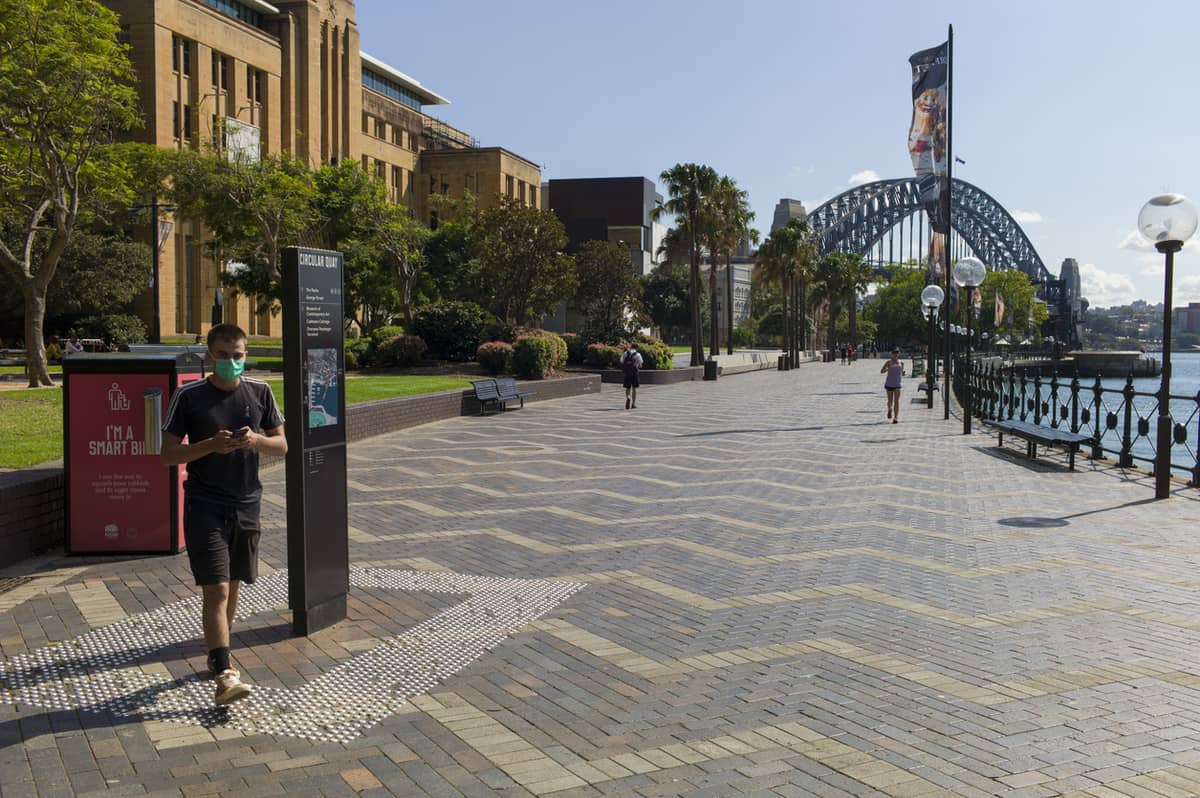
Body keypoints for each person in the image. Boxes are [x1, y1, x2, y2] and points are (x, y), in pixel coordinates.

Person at [160, 323, 287, 705]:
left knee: (232, 585)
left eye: (239, 355)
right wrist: (209, 446)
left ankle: (220, 656)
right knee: (214, 587)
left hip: (246, 503)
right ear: (209, 356)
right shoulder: (189, 395)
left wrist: (255, 441)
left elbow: (281, 445)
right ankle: (224, 672)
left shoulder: (260, 392)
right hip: (204, 504)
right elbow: (167, 453)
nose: (232, 362)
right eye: (224, 355)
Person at [880, 348, 904, 423]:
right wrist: (887, 369)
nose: (896, 354)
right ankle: (889, 409)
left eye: (897, 352)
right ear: (892, 353)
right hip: (889, 383)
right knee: (890, 401)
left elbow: (901, 372)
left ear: (899, 353)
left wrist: (902, 373)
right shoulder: (888, 362)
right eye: (894, 352)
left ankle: (896, 417)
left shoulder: (901, 363)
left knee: (896, 401)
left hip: (897, 384)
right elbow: (881, 371)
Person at [620, 342, 643, 410]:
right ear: (637, 348)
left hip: (627, 373)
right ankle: (633, 404)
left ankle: (628, 397)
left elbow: (621, 361)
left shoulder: (625, 353)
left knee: (627, 387)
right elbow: (640, 364)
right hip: (634, 373)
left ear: (631, 347)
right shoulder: (638, 354)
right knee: (634, 388)